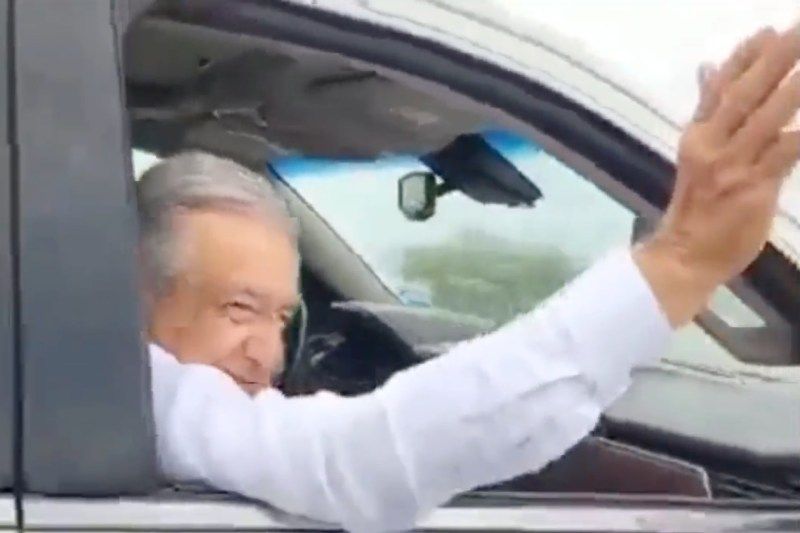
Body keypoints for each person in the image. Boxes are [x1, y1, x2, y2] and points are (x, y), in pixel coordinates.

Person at [141, 24, 800, 533]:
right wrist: (681, 262)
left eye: (283, 318)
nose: (268, 353)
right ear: (134, 300)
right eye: (237, 308)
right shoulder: (144, 390)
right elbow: (360, 460)